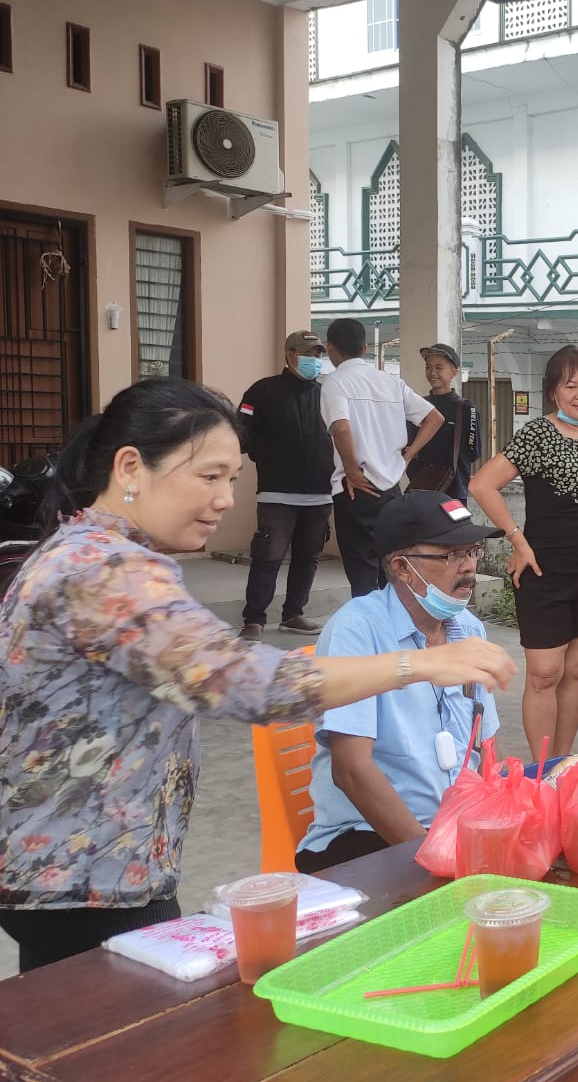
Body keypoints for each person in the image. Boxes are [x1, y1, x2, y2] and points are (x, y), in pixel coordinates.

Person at [0, 380, 515, 971]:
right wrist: (417, 664)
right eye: (209, 477)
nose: (223, 499)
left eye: (232, 480)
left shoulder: (96, 554)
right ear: (130, 467)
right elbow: (244, 681)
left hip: (97, 863)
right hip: (82, 871)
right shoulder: (105, 571)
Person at [296, 491, 505, 873]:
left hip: (454, 826)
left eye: (472, 552)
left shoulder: (469, 629)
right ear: (402, 567)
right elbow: (351, 771)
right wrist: (431, 856)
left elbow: (485, 749)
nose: (468, 568)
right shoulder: (356, 630)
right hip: (366, 834)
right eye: (451, 555)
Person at [469, 345, 578, 756]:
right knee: (544, 673)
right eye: (570, 385)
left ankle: (560, 764)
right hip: (542, 572)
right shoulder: (537, 435)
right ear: (553, 393)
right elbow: (481, 485)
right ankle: (542, 770)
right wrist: (517, 541)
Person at [319, 316, 443, 596]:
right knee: (392, 567)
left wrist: (351, 470)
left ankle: (368, 634)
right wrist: (410, 454)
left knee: (361, 568)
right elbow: (433, 417)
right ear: (365, 348)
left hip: (355, 488)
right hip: (391, 490)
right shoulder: (390, 381)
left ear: (330, 348)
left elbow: (340, 427)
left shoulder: (335, 382)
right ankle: (396, 631)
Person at [235, 329, 336, 641]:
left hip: (320, 492)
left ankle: (293, 614)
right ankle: (254, 620)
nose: (314, 360)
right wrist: (263, 453)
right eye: (308, 354)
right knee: (268, 556)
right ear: (290, 355)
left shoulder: (328, 393)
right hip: (277, 492)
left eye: (318, 354)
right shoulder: (261, 392)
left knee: (309, 557)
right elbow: (241, 432)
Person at [405, 342, 482, 502]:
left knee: (453, 528)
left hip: (454, 493)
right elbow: (408, 446)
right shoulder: (418, 405)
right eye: (428, 367)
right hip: (421, 489)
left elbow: (473, 451)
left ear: (454, 372)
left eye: (439, 367)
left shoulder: (466, 408)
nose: (432, 373)